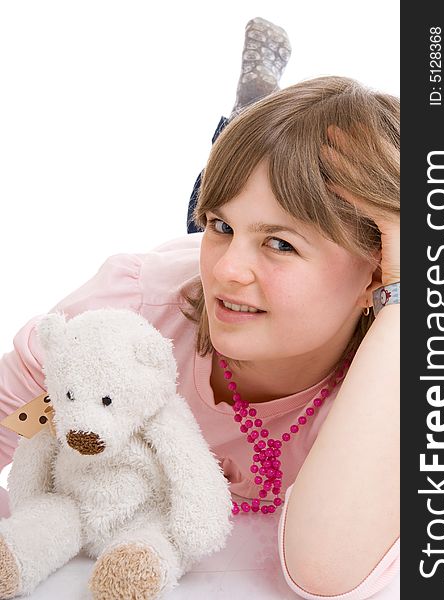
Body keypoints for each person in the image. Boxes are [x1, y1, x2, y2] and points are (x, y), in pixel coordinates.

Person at [0, 17, 399, 600]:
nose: (227, 269)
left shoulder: (396, 373)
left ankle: (250, 124)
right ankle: (248, 115)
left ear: (377, 268)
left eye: (282, 243)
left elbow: (326, 571)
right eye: (222, 227)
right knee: (220, 187)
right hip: (178, 284)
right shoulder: (129, 314)